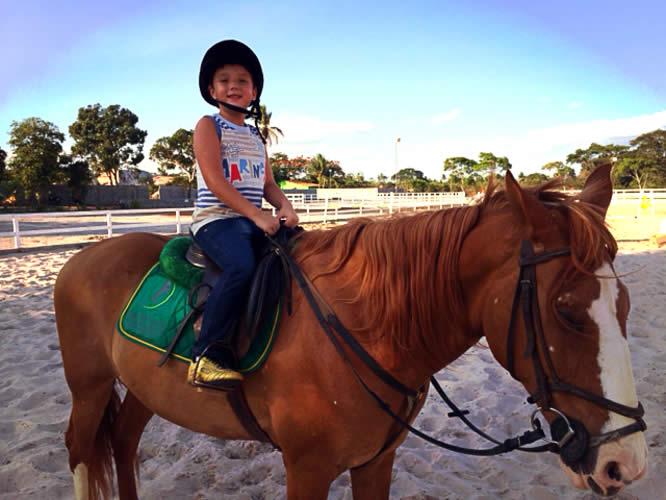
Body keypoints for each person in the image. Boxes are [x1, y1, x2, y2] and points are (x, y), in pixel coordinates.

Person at [188, 39, 299, 391]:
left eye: (241, 81)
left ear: (253, 92)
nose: (233, 86)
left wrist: (284, 206)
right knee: (240, 265)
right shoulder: (209, 125)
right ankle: (205, 354)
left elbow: (268, 183)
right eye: (224, 80)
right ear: (211, 89)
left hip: (250, 219)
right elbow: (216, 182)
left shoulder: (255, 134)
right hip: (216, 220)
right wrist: (256, 216)